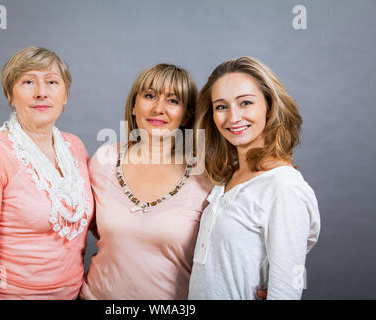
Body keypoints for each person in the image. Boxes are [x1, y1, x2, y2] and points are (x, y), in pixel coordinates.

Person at [0, 47, 94, 299]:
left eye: (52, 82)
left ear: (65, 95)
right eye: (28, 82)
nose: (41, 92)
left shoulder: (75, 147)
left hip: (74, 294)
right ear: (10, 95)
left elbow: (102, 222)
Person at [188, 57, 321, 300]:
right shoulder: (224, 179)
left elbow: (285, 293)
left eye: (245, 103)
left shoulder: (284, 187)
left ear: (269, 107)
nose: (233, 117)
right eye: (221, 106)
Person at [80, 64, 212, 299]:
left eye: (173, 100)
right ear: (133, 106)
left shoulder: (206, 176)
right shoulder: (104, 160)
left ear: (187, 114)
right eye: (149, 96)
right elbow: (79, 226)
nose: (158, 108)